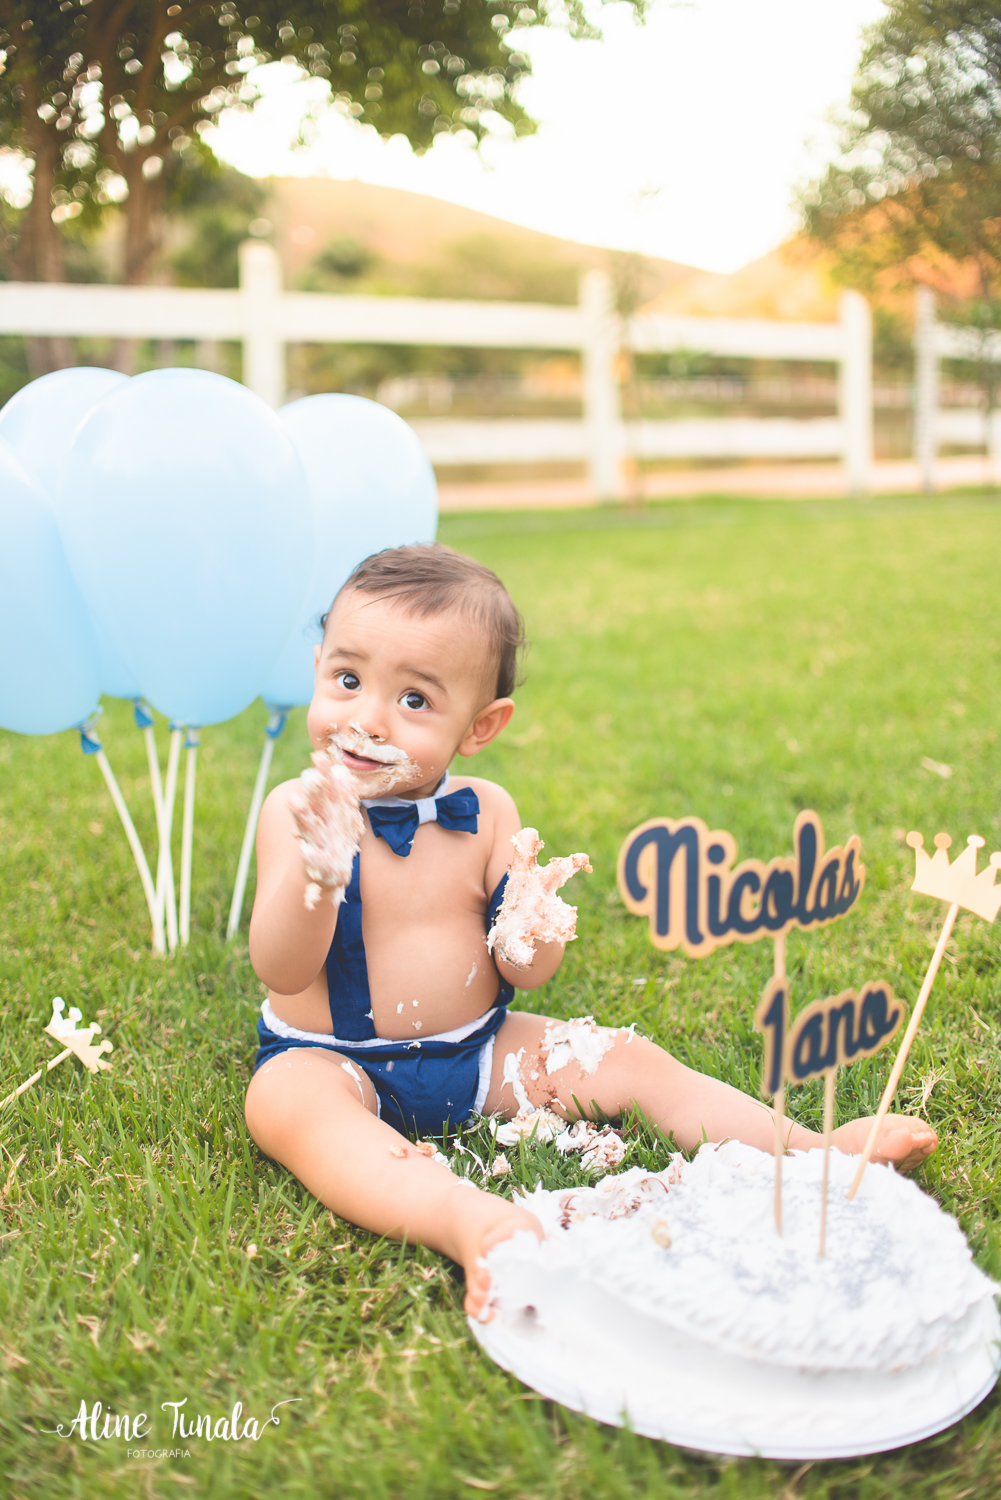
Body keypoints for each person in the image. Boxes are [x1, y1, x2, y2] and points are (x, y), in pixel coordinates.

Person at [244, 543, 938, 1319]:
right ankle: (464, 1219)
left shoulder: (488, 815)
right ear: (316, 669)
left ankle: (810, 1151)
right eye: (347, 680)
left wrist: (530, 921)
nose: (366, 716)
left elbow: (528, 971)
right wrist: (318, 873)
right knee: (283, 1104)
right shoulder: (294, 813)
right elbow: (280, 965)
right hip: (334, 1060)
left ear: (480, 726)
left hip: (476, 1050)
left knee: (628, 1059)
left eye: (414, 700)